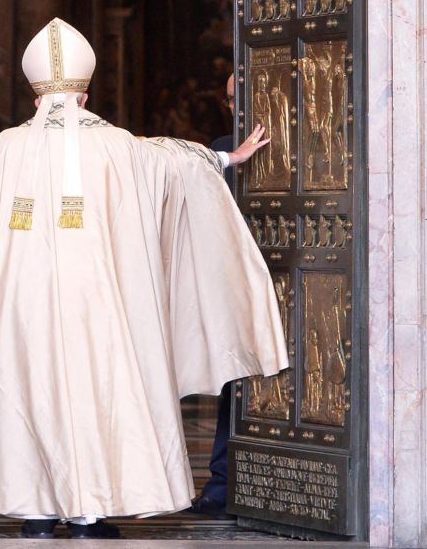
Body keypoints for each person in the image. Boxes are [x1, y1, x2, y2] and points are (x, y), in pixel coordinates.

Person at [0, 19, 287, 540]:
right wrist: (228, 156)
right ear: (87, 95)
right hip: (101, 305)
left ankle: (37, 511)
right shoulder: (124, 147)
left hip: (20, 309)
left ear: (34, 99)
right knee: (97, 395)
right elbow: (181, 163)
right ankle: (91, 513)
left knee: (29, 393)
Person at [190, 73, 237, 518]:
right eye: (228, 99)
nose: (234, 106)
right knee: (231, 384)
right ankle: (222, 485)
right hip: (230, 283)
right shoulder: (221, 148)